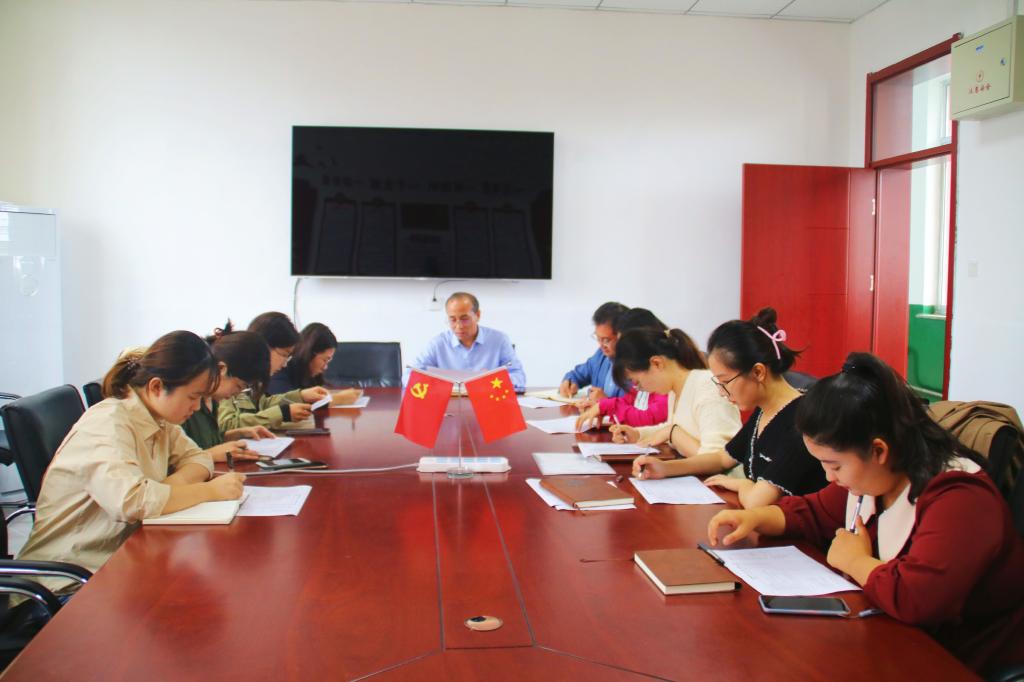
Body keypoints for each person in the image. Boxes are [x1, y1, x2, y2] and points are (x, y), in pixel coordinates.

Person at [707, 352, 1024, 676]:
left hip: (958, 661)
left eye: (835, 466)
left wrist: (855, 561)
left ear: (879, 450)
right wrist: (757, 518)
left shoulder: (960, 499)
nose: (829, 477)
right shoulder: (878, 475)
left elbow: (916, 598)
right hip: (893, 640)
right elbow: (814, 512)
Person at [17, 331, 246, 592]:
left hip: (119, 560)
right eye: (193, 397)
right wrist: (208, 491)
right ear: (157, 387)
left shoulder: (158, 418)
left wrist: (170, 487)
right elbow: (133, 502)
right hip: (68, 579)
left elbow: (199, 457)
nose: (196, 407)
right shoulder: (107, 423)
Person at [629, 308, 827, 508]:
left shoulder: (801, 420)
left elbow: (757, 501)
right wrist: (665, 468)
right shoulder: (764, 409)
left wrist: (742, 485)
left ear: (758, 372)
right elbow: (722, 458)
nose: (722, 392)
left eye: (725, 382)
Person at [606, 325, 740, 459]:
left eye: (637, 382)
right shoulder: (677, 389)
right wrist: (638, 434)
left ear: (657, 363)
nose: (640, 389)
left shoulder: (707, 387)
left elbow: (717, 458)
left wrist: (672, 433)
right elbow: (676, 427)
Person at [217, 312, 329, 431]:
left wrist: (300, 396)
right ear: (263, 347)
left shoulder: (254, 382)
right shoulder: (231, 376)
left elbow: (263, 404)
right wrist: (282, 414)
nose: (285, 364)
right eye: (284, 355)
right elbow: (226, 425)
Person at [182, 323, 275, 462]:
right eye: (239, 386)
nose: (237, 394)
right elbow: (174, 462)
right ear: (222, 369)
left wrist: (235, 435)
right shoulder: (188, 403)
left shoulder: (212, 400)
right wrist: (210, 455)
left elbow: (205, 442)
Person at [406, 292, 526, 391]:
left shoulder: (499, 340)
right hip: (449, 404)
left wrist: (492, 383)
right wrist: (435, 385)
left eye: (464, 319)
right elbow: (409, 375)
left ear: (477, 315)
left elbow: (518, 376)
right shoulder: (438, 343)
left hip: (488, 401)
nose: (459, 326)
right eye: (452, 320)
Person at [573, 308, 670, 429]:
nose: (621, 350)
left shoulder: (662, 378)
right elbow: (630, 402)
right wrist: (602, 407)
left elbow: (651, 418)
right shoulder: (642, 370)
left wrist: (608, 406)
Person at [266, 322, 361, 405]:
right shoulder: (279, 369)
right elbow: (286, 403)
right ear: (310, 353)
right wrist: (338, 399)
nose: (325, 367)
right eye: (325, 360)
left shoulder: (305, 374)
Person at [559, 302, 629, 400]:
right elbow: (577, 375)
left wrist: (605, 402)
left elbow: (638, 407)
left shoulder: (637, 366)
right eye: (598, 338)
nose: (601, 345)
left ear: (623, 336)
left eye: (606, 340)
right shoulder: (601, 355)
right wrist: (569, 382)